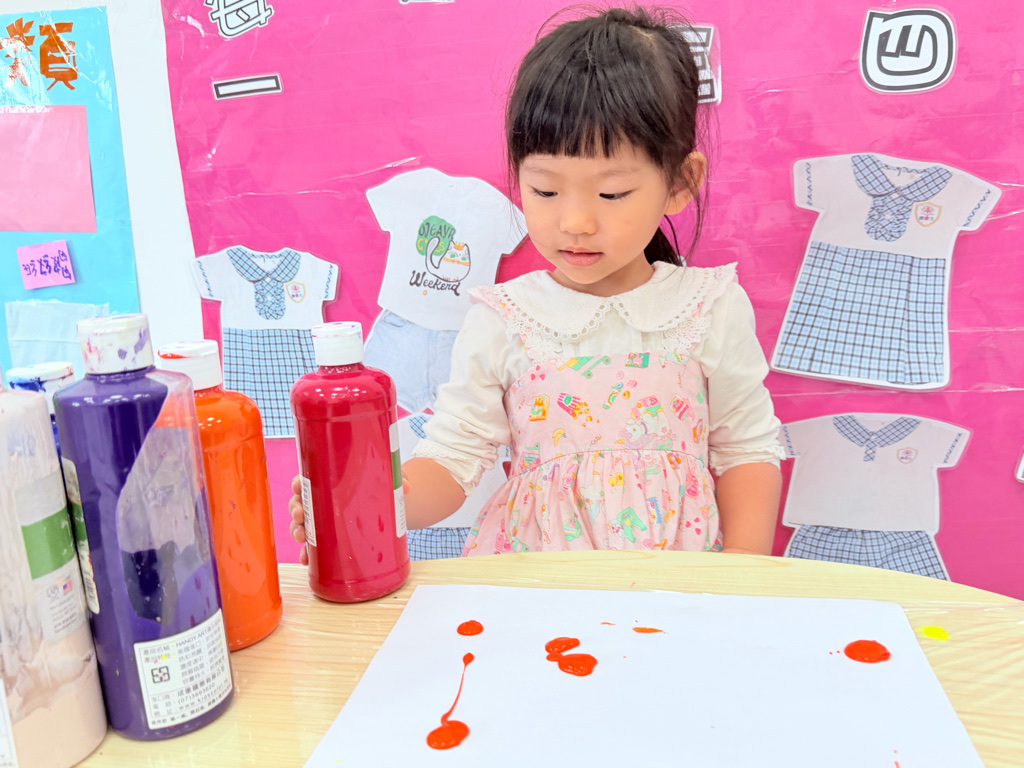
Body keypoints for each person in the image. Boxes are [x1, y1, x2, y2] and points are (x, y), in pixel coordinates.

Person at [290, 5, 784, 560]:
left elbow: (746, 449)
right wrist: (367, 500)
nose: (575, 222)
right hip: (535, 590)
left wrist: (743, 585)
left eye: (612, 193)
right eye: (546, 191)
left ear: (679, 183)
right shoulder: (504, 318)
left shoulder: (707, 307)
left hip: (677, 588)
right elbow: (453, 458)